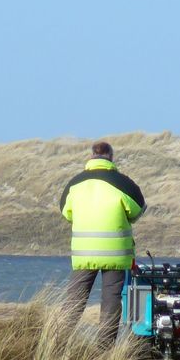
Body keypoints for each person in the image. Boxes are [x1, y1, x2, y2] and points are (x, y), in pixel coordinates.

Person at [59, 141, 146, 347]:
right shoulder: (123, 183)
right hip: (115, 254)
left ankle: (58, 344)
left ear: (91, 156)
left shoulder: (75, 183)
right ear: (111, 157)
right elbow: (139, 210)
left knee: (74, 301)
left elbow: (65, 212)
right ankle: (104, 350)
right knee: (111, 303)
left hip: (84, 254)